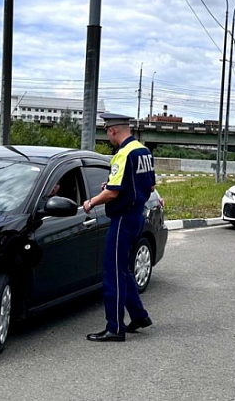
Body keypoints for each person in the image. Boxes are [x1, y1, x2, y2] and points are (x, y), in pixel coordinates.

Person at [83, 113, 155, 342]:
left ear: (113, 131)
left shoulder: (122, 154)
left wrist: (91, 202)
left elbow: (113, 192)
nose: (109, 137)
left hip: (123, 219)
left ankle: (114, 327)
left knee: (113, 273)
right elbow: (150, 186)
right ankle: (139, 316)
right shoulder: (144, 151)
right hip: (137, 216)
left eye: (108, 132)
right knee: (123, 270)